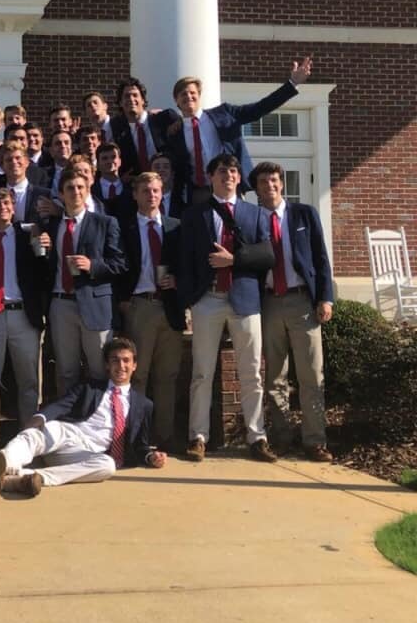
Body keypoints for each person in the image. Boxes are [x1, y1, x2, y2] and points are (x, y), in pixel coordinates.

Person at [178, 153, 273, 462]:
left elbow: (267, 255)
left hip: (245, 300)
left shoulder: (254, 214)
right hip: (208, 300)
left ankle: (257, 437)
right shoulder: (195, 215)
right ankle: (198, 437)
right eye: (222, 171)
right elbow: (186, 260)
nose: (228, 175)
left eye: (233, 171)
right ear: (211, 177)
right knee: (202, 373)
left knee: (252, 373)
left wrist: (233, 260)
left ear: (238, 177)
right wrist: (191, 300)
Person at [0, 337, 161, 496]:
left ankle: (30, 477)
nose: (121, 366)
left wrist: (151, 457)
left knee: (107, 466)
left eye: (126, 360)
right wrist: (41, 417)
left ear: (134, 365)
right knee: (35, 433)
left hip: (85, 454)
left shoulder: (144, 405)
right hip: (67, 433)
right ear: (107, 365)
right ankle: (5, 463)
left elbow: (141, 445)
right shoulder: (90, 387)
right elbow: (63, 404)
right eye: (115, 360)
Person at [251, 161, 335, 462]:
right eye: (263, 181)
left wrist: (325, 298)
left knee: (311, 374)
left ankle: (315, 441)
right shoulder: (252, 220)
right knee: (275, 376)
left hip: (302, 302)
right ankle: (282, 438)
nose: (270, 185)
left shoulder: (304, 214)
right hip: (269, 303)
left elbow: (321, 258)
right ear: (257, 188)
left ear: (282, 183)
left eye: (274, 180)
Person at [162, 57, 314, 203]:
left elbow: (260, 108)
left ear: (199, 96)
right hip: (198, 194)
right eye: (183, 94)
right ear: (176, 100)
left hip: (230, 187)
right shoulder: (175, 132)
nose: (188, 97)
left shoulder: (225, 114)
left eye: (192, 93)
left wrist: (292, 83)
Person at [0, 186, 50, 425]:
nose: (1, 208)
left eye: (6, 203)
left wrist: (44, 247)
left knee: (29, 380)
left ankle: (29, 434)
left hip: (23, 314)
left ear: (14, 208)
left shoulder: (28, 235)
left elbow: (44, 272)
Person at [114, 171, 185, 452]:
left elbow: (188, 263)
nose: (151, 195)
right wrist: (123, 300)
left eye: (156, 190)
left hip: (170, 307)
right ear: (135, 195)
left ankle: (164, 436)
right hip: (140, 306)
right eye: (145, 191)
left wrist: (178, 280)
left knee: (168, 375)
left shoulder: (175, 227)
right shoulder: (124, 227)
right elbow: (117, 266)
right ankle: (136, 438)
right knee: (138, 375)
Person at [40, 169, 127, 393]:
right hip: (61, 304)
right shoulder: (52, 226)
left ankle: (102, 414)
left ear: (88, 190)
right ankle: (69, 414)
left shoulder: (105, 223)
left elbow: (120, 263)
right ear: (61, 194)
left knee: (100, 370)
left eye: (80, 187)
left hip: (95, 304)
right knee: (66, 372)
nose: (76, 192)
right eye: (70, 188)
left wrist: (93, 266)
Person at [111, 77, 170, 178]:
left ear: (143, 100)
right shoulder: (116, 130)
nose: (131, 99)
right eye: (126, 96)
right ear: (120, 102)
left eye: (135, 95)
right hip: (136, 184)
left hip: (164, 182)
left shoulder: (161, 120)